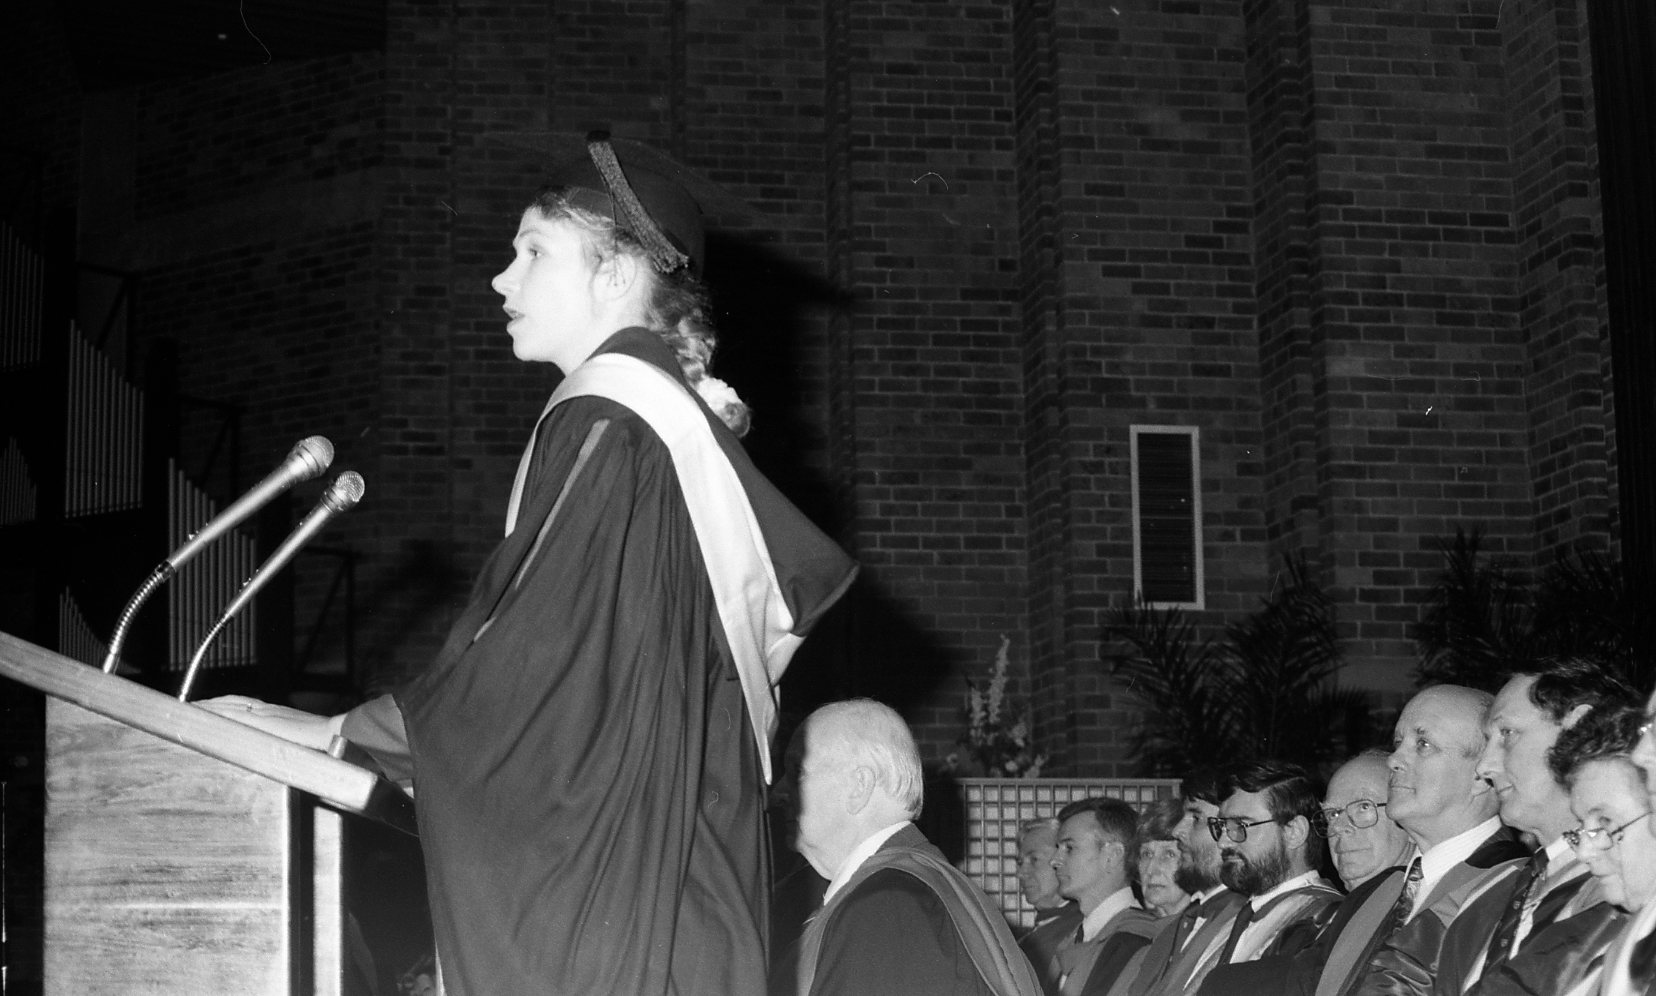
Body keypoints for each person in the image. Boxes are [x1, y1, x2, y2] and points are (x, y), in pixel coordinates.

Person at [208, 133, 859, 996]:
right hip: (678, 908)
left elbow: (533, 683)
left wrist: (335, 733)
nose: (501, 279)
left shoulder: (612, 428)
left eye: (533, 252)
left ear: (615, 275)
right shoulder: (652, 434)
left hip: (625, 924)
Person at [782, 699, 1041, 996]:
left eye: (797, 772)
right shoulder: (903, 888)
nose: (778, 792)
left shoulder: (887, 906)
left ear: (859, 785)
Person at [1432, 660, 1636, 995]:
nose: (1484, 767)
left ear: (1580, 728)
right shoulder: (1486, 897)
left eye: (1507, 734)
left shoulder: (1628, 885)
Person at [1353, 684, 1527, 996]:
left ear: (1481, 775)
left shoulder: (1517, 892)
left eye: (1423, 744)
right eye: (1398, 743)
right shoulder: (1374, 894)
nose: (1393, 759)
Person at [1199, 749, 1415, 996]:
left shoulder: (1417, 913)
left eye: (1363, 807)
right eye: (1332, 814)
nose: (1338, 828)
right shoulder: (1339, 922)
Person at [1187, 761, 1341, 994]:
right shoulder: (1239, 916)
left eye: (1241, 826)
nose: (1223, 843)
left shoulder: (1324, 920)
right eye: (1222, 827)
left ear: (1294, 832)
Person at [1117, 769, 1244, 996]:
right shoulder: (1183, 924)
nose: (1178, 831)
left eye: (1196, 819)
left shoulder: (1242, 917)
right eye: (1145, 854)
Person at [1047, 797, 1160, 995]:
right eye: (1058, 848)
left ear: (1113, 855)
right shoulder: (1075, 938)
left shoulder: (1134, 941)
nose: (1054, 860)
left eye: (1069, 848)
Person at [1020, 817, 1084, 993]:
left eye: (1034, 859)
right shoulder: (1034, 935)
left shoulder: (1081, 930)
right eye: (1020, 862)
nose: (1021, 873)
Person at [1137, 798, 1194, 919]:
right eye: (1146, 854)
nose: (1150, 869)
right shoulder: (1134, 925)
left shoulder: (1209, 926)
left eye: (1169, 854)